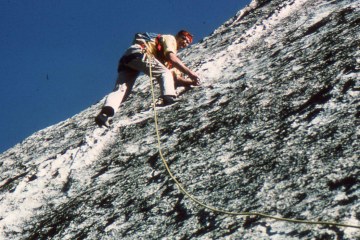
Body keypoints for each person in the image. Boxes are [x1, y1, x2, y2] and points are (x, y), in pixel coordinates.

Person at [95, 30, 200, 127]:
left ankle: (104, 114)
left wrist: (189, 82)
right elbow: (171, 57)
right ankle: (168, 98)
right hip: (140, 53)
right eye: (184, 39)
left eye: (187, 43)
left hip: (128, 58)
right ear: (178, 36)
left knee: (122, 89)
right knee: (164, 72)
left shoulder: (165, 53)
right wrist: (190, 73)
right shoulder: (170, 39)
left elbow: (175, 78)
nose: (185, 43)